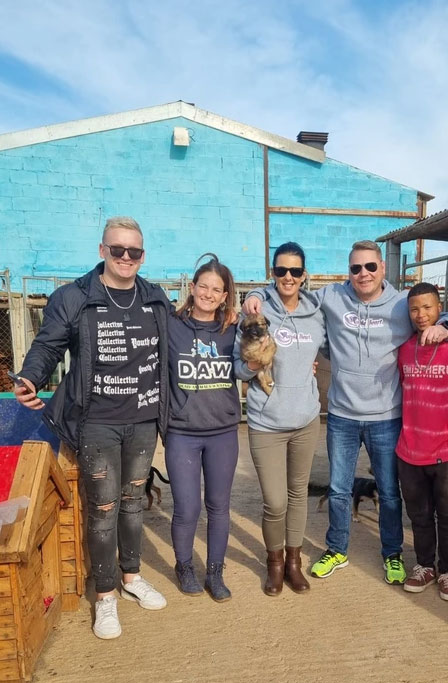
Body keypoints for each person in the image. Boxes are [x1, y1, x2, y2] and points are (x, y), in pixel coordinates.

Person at [243, 240, 448, 586]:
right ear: (349, 271)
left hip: (385, 417)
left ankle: (392, 553)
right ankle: (337, 549)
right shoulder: (331, 296)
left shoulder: (400, 304)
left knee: (389, 492)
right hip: (342, 416)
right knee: (339, 489)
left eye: (370, 266)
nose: (364, 273)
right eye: (356, 268)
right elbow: (288, 291)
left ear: (382, 268)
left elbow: (437, 314)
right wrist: (254, 293)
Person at [14, 216, 170, 640]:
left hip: (143, 420)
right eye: (117, 249)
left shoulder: (155, 298)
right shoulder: (75, 297)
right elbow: (48, 344)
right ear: (103, 251)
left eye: (133, 251)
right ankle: (105, 595)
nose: (125, 257)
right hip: (97, 423)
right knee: (103, 508)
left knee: (133, 502)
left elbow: (181, 339)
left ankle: (132, 577)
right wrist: (31, 376)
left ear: (142, 256)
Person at [234, 242, 326, 595]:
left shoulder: (316, 313)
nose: (288, 277)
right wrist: (252, 365)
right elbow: (238, 367)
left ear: (304, 275)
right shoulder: (256, 311)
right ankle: (274, 563)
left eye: (295, 271)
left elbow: (335, 347)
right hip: (266, 423)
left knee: (297, 494)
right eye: (281, 270)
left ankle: (293, 563)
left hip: (305, 419)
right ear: (272, 273)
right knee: (275, 501)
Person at [166, 253, 241, 601]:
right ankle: (184, 566)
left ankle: (215, 572)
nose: (209, 294)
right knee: (187, 508)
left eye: (216, 289)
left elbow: (260, 353)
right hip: (182, 432)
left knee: (218, 506)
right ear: (193, 287)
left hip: (222, 432)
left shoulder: (233, 330)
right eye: (204, 286)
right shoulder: (171, 325)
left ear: (225, 295)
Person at [396, 283, 448, 601]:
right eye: (414, 309)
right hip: (409, 449)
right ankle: (425, 566)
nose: (421, 314)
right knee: (419, 516)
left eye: (427, 307)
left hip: (447, 451)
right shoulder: (404, 349)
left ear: (440, 308)